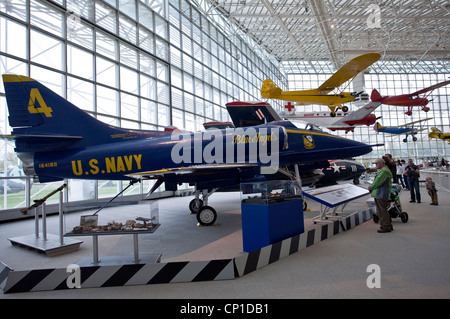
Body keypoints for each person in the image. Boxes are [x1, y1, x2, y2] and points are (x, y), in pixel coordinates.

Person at [369, 158, 393, 233]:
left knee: (382, 211)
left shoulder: (384, 171)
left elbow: (378, 181)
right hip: (380, 193)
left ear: (381, 163)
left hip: (381, 194)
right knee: (383, 210)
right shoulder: (384, 171)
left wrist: (371, 187)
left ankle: (385, 226)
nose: (376, 165)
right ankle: (388, 225)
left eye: (377, 164)